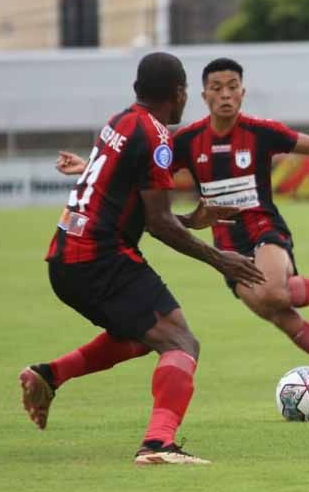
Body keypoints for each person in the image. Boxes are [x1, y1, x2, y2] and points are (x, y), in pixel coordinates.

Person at [56, 57, 309, 388]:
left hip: (265, 229)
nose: (225, 94)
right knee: (278, 313)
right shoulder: (187, 141)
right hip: (227, 244)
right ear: (202, 95)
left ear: (242, 93)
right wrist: (89, 166)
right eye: (216, 88)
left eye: (232, 87)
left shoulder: (260, 132)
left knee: (274, 292)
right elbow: (135, 166)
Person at [20, 52, 265, 465]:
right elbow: (158, 224)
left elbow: (143, 209)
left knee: (139, 336)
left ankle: (49, 374)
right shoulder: (157, 138)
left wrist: (189, 219)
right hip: (98, 258)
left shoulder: (121, 121)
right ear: (180, 93)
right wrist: (220, 258)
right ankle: (158, 445)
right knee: (181, 342)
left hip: (68, 257)